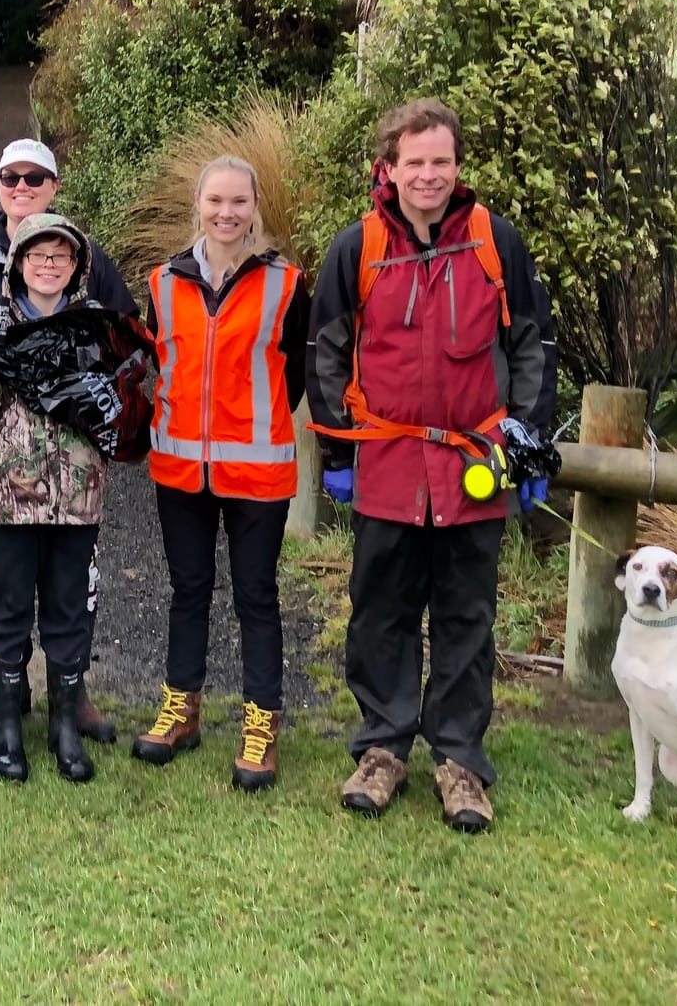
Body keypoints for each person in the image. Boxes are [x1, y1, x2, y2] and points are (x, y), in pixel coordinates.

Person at [309, 98, 556, 833]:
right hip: (386, 461)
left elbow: (532, 344)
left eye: (440, 161)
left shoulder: (496, 242)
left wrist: (527, 441)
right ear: (388, 167)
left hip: (475, 464)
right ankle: (382, 749)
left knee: (466, 619)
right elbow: (325, 351)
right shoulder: (355, 248)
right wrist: (338, 453)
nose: (428, 175)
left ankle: (459, 761)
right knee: (380, 614)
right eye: (413, 162)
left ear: (457, 166)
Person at [0, 136, 137, 736]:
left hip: (68, 451)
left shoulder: (84, 256)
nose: (22, 188)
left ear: (54, 186)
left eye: (35, 179)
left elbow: (125, 340)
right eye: (10, 177)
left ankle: (73, 694)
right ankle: (8, 684)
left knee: (75, 571)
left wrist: (96, 406)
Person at [131, 156, 309, 791]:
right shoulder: (161, 282)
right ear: (198, 205)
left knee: (256, 598)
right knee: (188, 591)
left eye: (239, 202)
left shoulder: (287, 283)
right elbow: (157, 362)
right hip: (180, 467)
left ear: (255, 206)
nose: (226, 213)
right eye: (215, 201)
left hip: (257, 472)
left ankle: (260, 724)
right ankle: (182, 707)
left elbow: (294, 381)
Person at [0, 212, 114, 783]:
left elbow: (117, 410)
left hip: (76, 497)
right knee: (9, 607)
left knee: (71, 609)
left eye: (61, 258)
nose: (49, 267)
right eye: (38, 256)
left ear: (77, 267)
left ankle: (65, 725)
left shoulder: (95, 326)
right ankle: (7, 726)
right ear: (18, 263)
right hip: (11, 498)